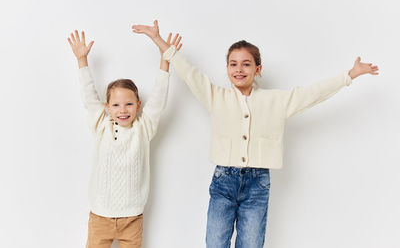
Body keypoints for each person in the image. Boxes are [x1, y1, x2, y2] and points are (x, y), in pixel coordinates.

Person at [132, 20, 379, 248]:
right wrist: (159, 41)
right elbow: (189, 73)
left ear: (258, 69)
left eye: (246, 64)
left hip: (258, 184)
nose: (239, 69)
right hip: (223, 181)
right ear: (227, 68)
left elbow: (311, 94)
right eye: (233, 64)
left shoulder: (276, 100)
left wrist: (349, 75)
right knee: (215, 242)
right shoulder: (217, 96)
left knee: (251, 244)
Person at [68, 29, 182, 248]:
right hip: (100, 216)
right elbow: (89, 96)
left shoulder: (143, 128)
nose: (123, 110)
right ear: (107, 107)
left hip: (132, 217)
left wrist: (165, 61)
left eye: (129, 104)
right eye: (116, 105)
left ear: (138, 106)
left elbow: (158, 98)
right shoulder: (102, 126)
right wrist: (82, 60)